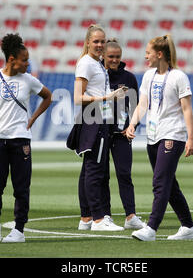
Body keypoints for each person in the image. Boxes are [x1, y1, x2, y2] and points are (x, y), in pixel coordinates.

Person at [0, 33, 52, 243]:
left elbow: (47, 96)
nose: (28, 63)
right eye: (24, 60)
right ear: (12, 59)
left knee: (21, 187)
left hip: (21, 140)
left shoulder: (29, 80)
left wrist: (32, 118)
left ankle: (19, 230)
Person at [125, 34, 193, 241]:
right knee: (169, 184)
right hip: (152, 136)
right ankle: (189, 227)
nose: (145, 56)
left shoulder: (179, 77)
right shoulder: (148, 76)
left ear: (159, 54)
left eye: (148, 52)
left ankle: (151, 228)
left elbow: (187, 109)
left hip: (172, 135)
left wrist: (190, 139)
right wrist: (132, 123)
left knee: (160, 182)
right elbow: (143, 104)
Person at [68, 24, 127, 231]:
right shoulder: (86, 64)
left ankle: (86, 218)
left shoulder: (96, 63)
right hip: (94, 119)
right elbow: (77, 98)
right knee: (96, 171)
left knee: (88, 169)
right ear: (88, 42)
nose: (100, 45)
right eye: (96, 41)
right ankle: (99, 219)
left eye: (102, 41)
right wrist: (106, 97)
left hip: (96, 117)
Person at [102, 39, 145, 230]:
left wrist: (132, 127)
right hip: (101, 133)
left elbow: (136, 107)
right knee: (101, 176)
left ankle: (131, 216)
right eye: (110, 56)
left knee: (124, 174)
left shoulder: (129, 78)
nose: (114, 60)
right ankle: (104, 216)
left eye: (117, 56)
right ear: (103, 56)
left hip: (121, 135)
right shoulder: (97, 75)